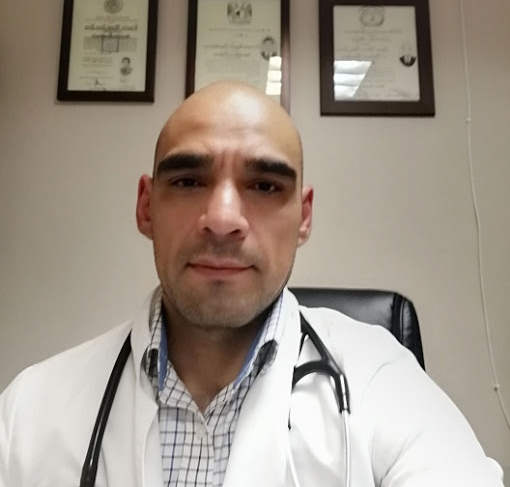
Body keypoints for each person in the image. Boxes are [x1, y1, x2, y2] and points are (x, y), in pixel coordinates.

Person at [0, 81, 504, 486]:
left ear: (303, 217)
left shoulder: (384, 382)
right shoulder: (30, 409)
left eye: (264, 185)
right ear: (146, 207)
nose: (222, 220)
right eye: (188, 181)